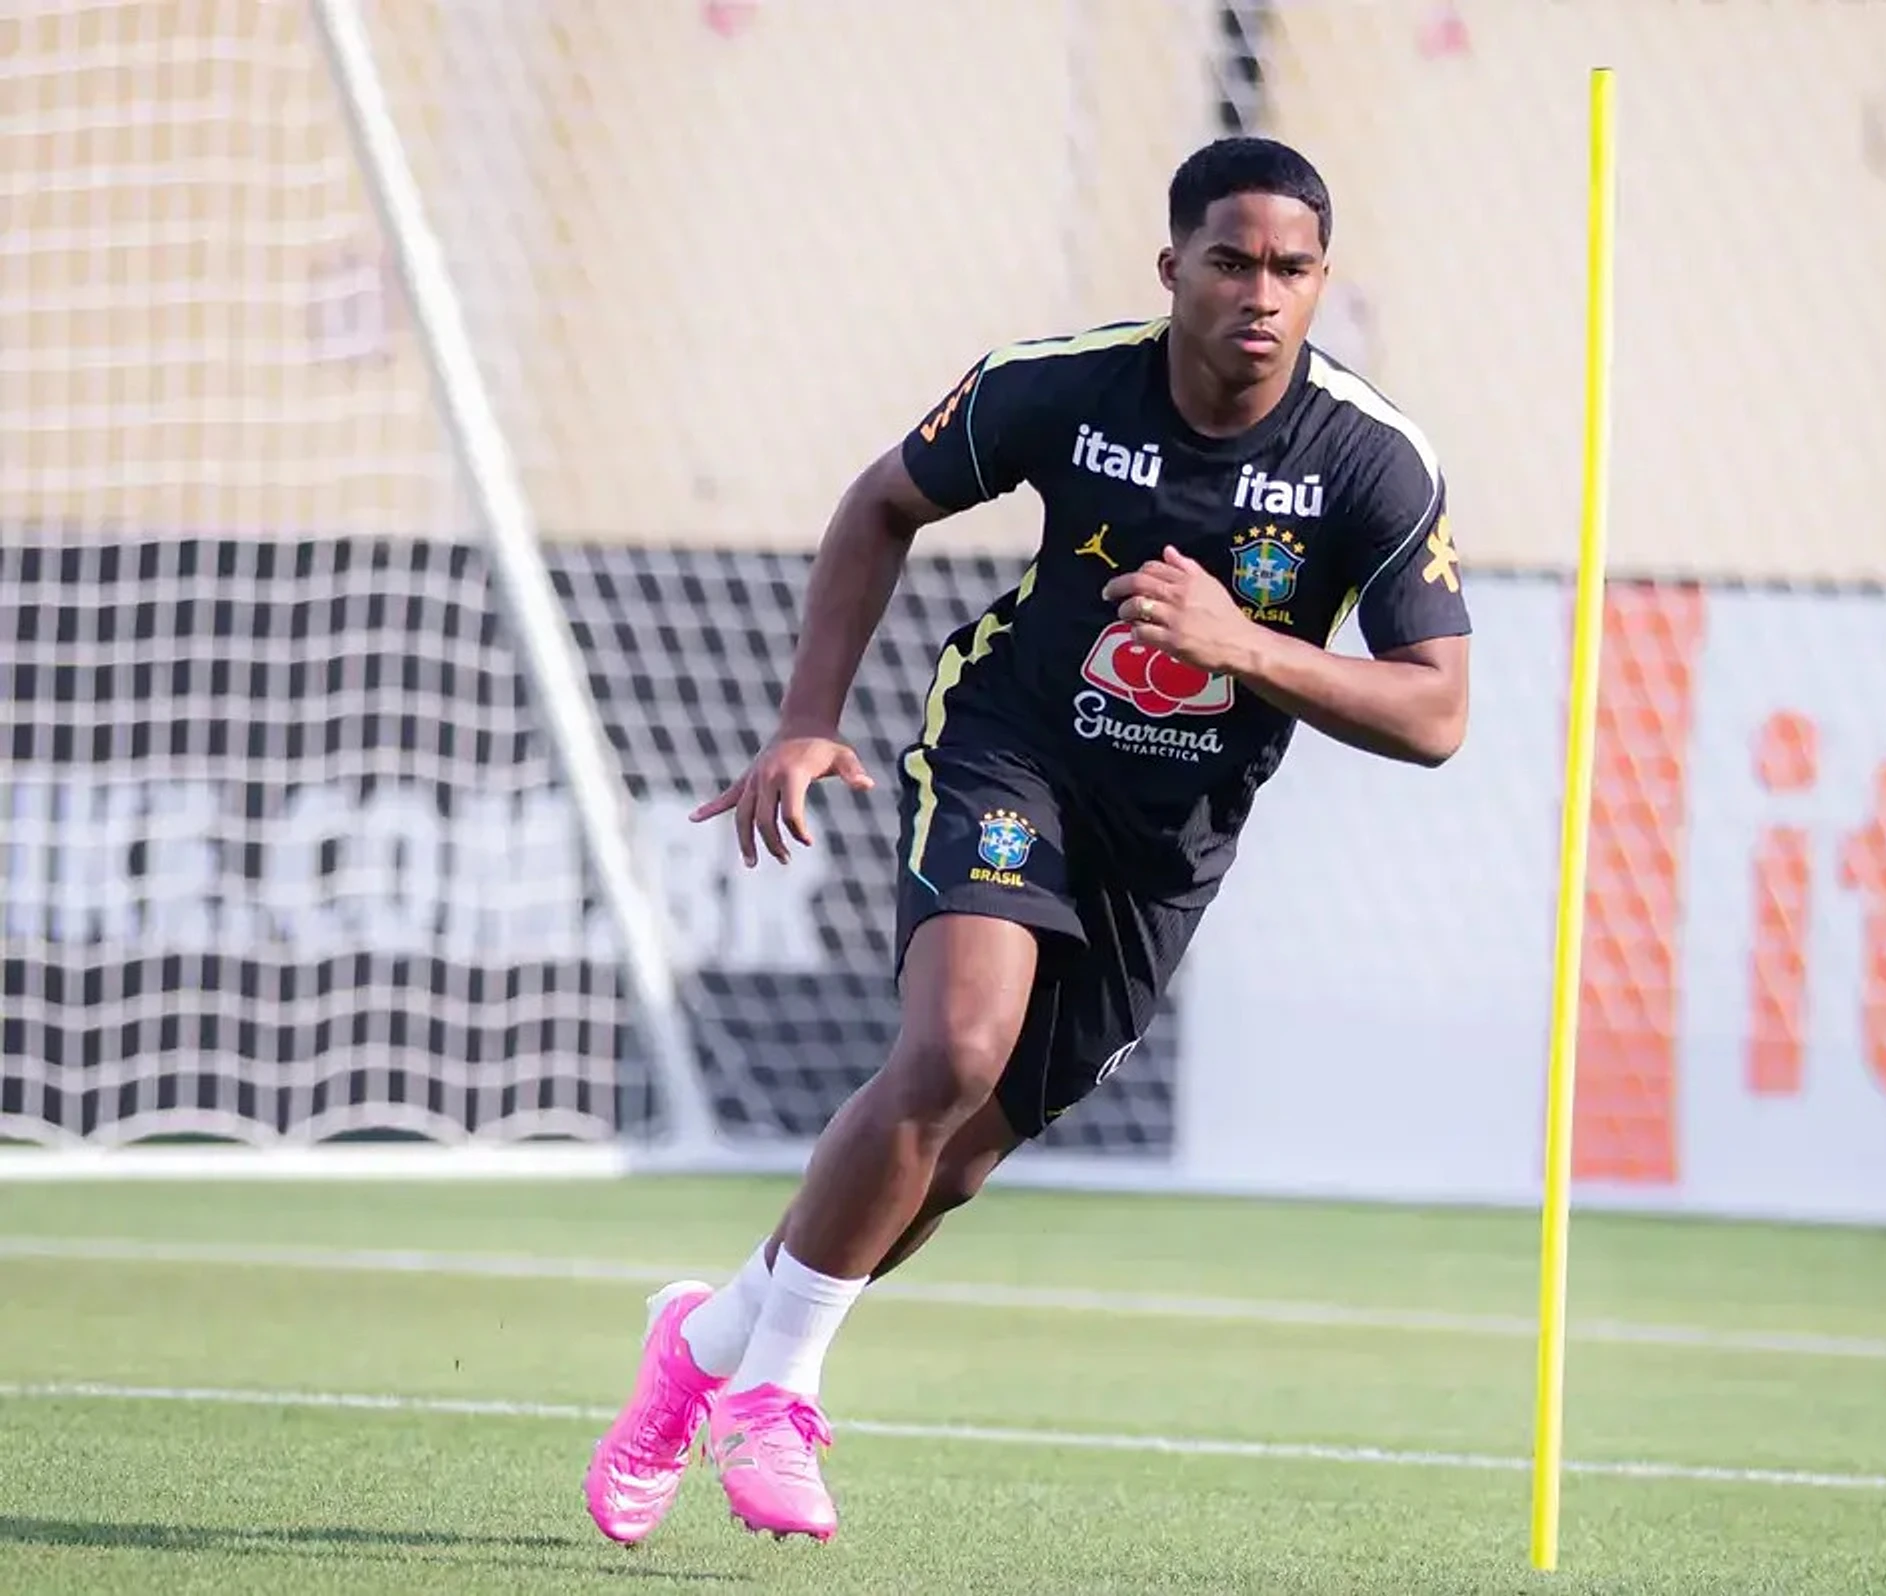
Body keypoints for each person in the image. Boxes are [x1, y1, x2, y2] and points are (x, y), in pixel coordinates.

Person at [582, 135, 1471, 1548]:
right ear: (1170, 266)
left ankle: (700, 1349)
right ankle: (774, 1397)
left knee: (952, 1163)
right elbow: (881, 503)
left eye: (1292, 269)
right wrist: (807, 721)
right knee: (951, 1053)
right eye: (1231, 261)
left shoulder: (1371, 460)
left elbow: (1435, 714)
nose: (1260, 292)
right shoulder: (1057, 387)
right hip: (1012, 750)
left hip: (1168, 843)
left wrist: (1243, 646)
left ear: (1322, 281)